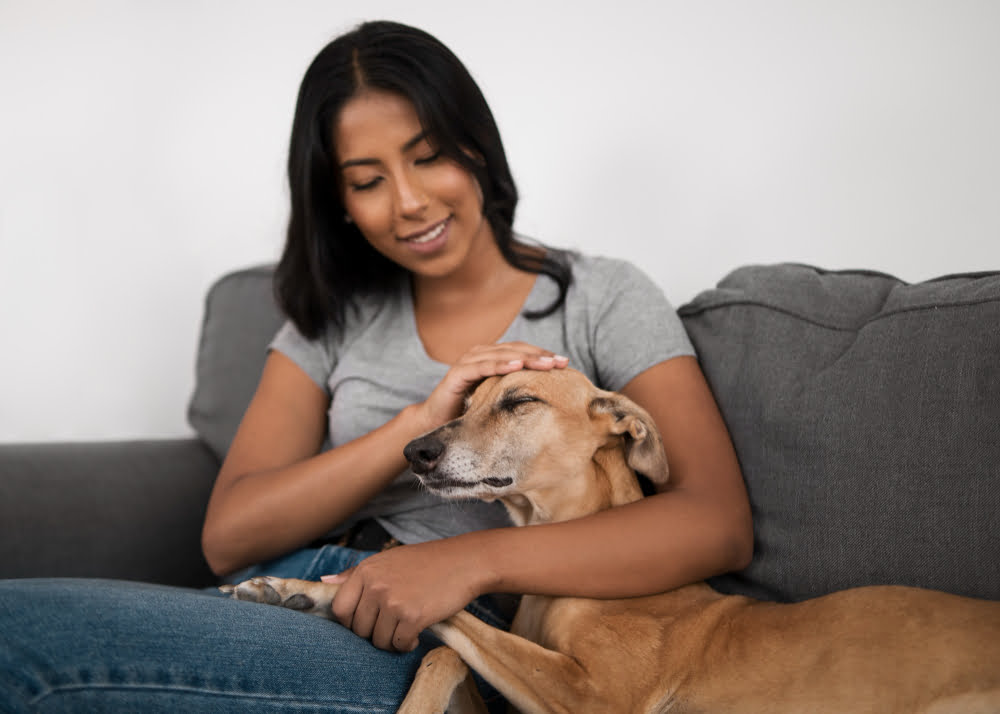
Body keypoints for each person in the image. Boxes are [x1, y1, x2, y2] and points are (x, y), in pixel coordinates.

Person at [0, 20, 752, 712]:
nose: (410, 203)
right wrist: (420, 423)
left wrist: (471, 564)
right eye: (367, 181)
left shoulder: (601, 297)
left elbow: (716, 521)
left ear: (476, 148)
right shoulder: (333, 316)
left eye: (428, 158)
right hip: (291, 581)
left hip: (424, 626)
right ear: (340, 205)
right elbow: (230, 535)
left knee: (17, 637)